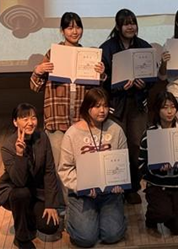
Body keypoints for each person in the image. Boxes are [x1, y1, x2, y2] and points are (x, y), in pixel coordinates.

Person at [30, 12, 105, 165]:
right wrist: (38, 71)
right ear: (62, 31)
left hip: (81, 119)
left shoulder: (89, 56)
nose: (75, 32)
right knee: (59, 164)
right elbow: (35, 87)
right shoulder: (53, 54)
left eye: (78, 27)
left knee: (83, 162)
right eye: (70, 28)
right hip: (57, 121)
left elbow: (96, 93)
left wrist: (101, 74)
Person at [58, 88, 127, 247]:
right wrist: (81, 186)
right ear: (87, 108)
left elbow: (123, 162)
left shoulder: (116, 130)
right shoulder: (72, 134)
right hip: (82, 194)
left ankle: (110, 215)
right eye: (97, 106)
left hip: (109, 193)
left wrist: (120, 182)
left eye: (105, 106)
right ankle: (70, 216)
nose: (102, 110)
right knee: (85, 238)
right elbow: (65, 169)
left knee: (112, 235)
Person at [99, 8, 153, 204]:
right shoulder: (107, 48)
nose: (130, 27)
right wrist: (117, 84)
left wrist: (144, 83)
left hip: (137, 104)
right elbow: (101, 79)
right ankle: (117, 187)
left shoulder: (144, 46)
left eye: (133, 23)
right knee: (116, 146)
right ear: (118, 26)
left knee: (137, 145)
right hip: (116, 104)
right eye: (126, 23)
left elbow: (152, 78)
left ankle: (133, 187)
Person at [0, 103, 61, 249]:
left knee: (50, 226)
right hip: (15, 192)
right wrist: (19, 154)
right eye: (25, 119)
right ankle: (21, 238)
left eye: (33, 118)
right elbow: (19, 181)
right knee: (22, 193)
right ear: (15, 122)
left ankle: (28, 217)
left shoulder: (42, 137)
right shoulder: (8, 146)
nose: (30, 123)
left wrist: (50, 204)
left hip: (36, 192)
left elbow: (49, 171)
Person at [138, 92, 178, 235]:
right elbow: (141, 164)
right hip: (158, 185)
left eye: (172, 107)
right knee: (162, 213)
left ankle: (171, 213)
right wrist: (157, 169)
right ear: (157, 110)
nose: (169, 111)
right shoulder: (149, 134)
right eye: (165, 107)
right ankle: (152, 217)